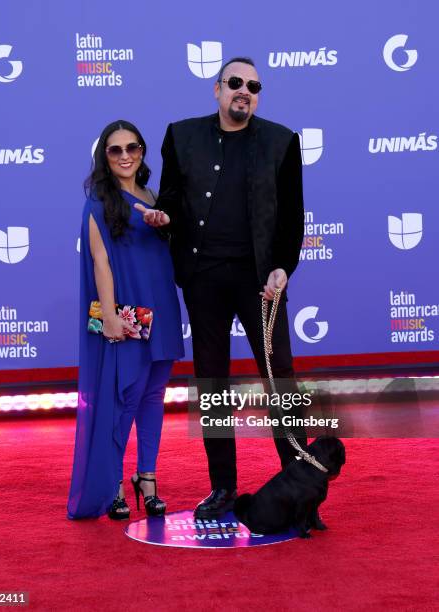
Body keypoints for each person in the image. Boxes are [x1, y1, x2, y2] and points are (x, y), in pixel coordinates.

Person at [138, 57, 307, 519]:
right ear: (217, 89)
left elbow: (293, 216)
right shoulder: (182, 135)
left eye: (254, 85)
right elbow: (170, 195)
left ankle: (299, 486)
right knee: (212, 385)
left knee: (281, 384)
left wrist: (282, 268)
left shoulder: (281, 141)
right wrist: (163, 215)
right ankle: (223, 489)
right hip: (204, 278)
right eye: (235, 82)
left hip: (261, 283)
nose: (244, 91)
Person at [67, 120, 184, 520]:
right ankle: (113, 483)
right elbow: (100, 262)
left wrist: (167, 223)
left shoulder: (152, 196)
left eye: (132, 147)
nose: (125, 156)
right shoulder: (98, 201)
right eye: (115, 150)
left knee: (153, 397)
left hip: (162, 308)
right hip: (129, 316)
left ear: (142, 150)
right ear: (105, 157)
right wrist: (111, 314)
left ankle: (147, 479)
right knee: (125, 398)